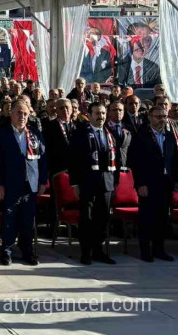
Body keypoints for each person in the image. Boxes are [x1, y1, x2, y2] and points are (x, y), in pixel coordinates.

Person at [0, 100, 48, 266]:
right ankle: (6, 251)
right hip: (10, 183)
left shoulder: (35, 133)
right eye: (18, 113)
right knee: (9, 219)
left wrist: (43, 180)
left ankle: (27, 252)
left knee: (28, 220)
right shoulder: (2, 134)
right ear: (11, 114)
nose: (22, 116)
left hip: (31, 183)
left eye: (25, 113)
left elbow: (43, 158)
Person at [129, 106, 178, 262]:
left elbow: (175, 160)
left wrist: (177, 179)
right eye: (158, 116)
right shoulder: (141, 136)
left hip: (165, 183)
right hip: (148, 184)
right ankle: (145, 250)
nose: (161, 119)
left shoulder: (170, 136)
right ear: (150, 117)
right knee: (147, 218)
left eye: (164, 116)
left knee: (162, 218)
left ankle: (159, 249)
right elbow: (135, 163)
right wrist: (140, 184)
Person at [68, 102, 117, 265]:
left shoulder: (109, 133)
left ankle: (98, 250)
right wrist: (74, 184)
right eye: (97, 113)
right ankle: (86, 252)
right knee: (87, 218)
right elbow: (73, 160)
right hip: (86, 182)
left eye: (103, 113)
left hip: (106, 183)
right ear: (89, 115)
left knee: (102, 219)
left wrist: (114, 183)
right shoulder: (81, 133)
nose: (101, 116)